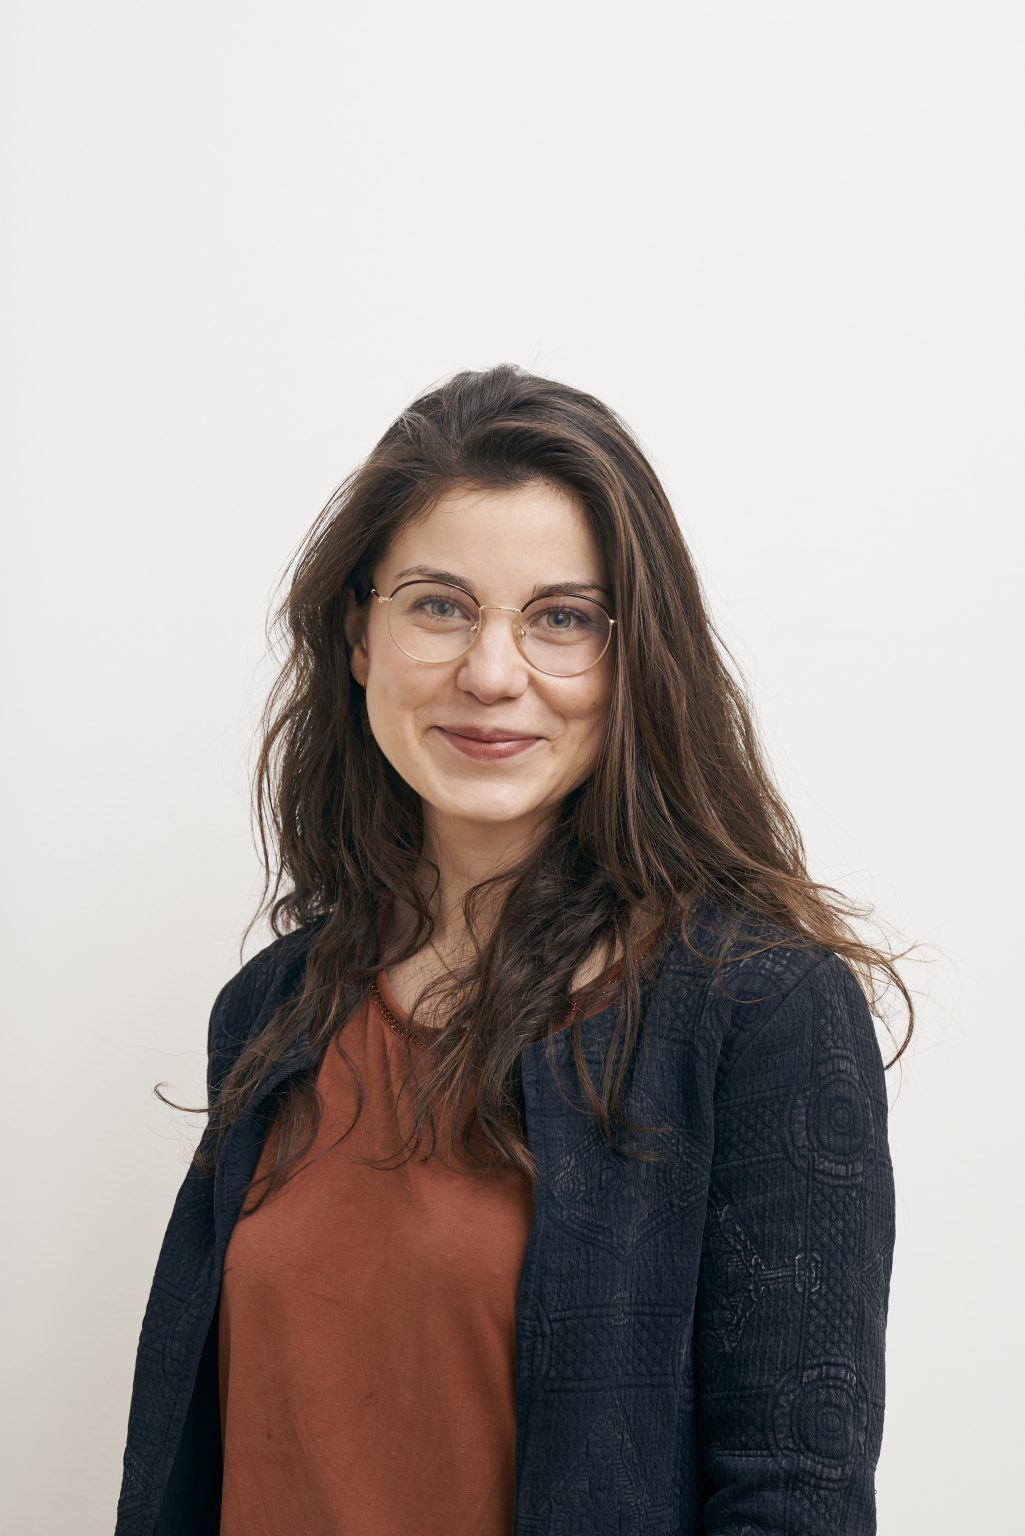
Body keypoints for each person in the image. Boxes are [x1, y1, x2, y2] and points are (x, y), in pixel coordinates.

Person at [114, 364, 911, 1536]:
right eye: (438, 606)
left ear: (635, 658)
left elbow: (794, 1499)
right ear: (359, 634)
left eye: (562, 618)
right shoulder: (272, 1009)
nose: (491, 674)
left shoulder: (758, 1011)